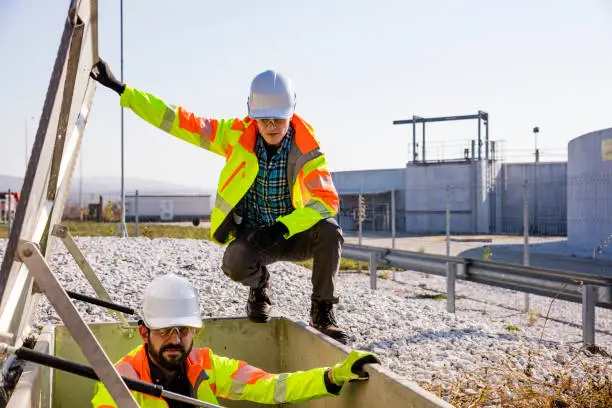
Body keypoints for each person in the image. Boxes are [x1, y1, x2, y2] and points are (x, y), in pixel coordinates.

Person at [90, 59, 350, 344]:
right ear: (252, 115)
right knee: (235, 262)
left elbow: (326, 201)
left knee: (329, 231)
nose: (272, 126)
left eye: (278, 118)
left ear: (291, 113)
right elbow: (179, 121)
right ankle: (260, 286)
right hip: (253, 237)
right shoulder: (235, 135)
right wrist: (123, 91)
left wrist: (283, 227)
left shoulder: (307, 147)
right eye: (264, 119)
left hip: (291, 233)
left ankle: (322, 312)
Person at [91, 274, 379, 407]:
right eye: (165, 330)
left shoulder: (206, 365)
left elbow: (271, 387)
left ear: (195, 331)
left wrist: (330, 377)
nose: (175, 340)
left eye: (184, 330)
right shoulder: (120, 380)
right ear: (145, 333)